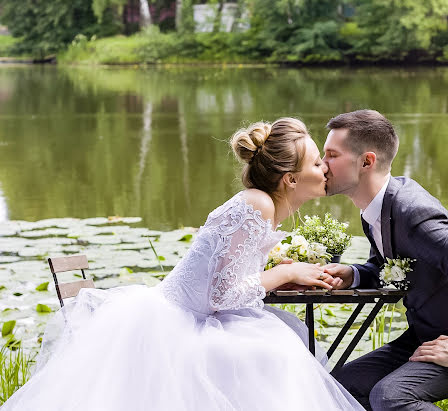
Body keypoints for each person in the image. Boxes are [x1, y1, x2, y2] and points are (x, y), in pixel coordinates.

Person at [3, 118, 363, 411]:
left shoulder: (263, 204)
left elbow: (230, 278)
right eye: (317, 162)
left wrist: (275, 274)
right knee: (275, 353)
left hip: (198, 315)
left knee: (282, 345)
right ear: (292, 179)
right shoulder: (258, 205)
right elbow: (220, 296)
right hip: (176, 320)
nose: (325, 168)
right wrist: (283, 272)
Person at [321, 110, 448, 410]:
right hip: (428, 336)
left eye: (331, 155)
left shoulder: (413, 214)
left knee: (390, 396)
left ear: (366, 162)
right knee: (343, 386)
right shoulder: (377, 209)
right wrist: (353, 274)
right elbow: (387, 267)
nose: (321, 164)